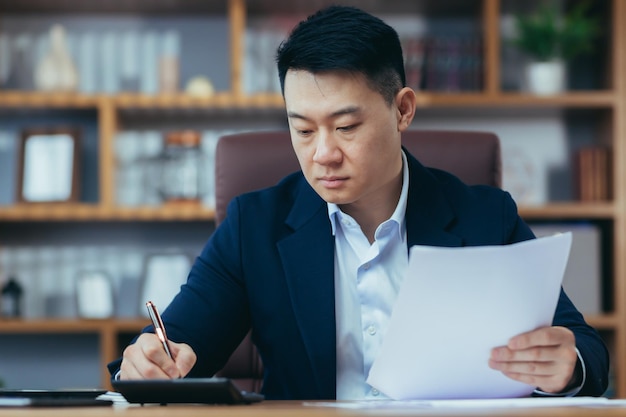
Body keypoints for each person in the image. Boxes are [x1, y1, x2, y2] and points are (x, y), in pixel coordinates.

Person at [109, 5, 609, 400]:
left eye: (346, 127)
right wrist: (148, 365)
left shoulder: (486, 217)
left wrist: (567, 365)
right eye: (302, 129)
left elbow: (584, 348)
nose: (323, 154)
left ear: (402, 110)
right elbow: (172, 349)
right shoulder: (253, 227)